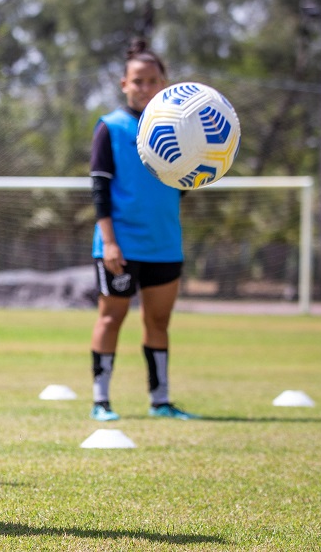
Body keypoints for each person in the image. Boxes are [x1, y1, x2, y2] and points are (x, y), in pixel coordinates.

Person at [88, 38, 199, 422]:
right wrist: (111, 243)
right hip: (119, 245)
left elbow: (184, 184)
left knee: (158, 322)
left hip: (165, 244)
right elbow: (100, 190)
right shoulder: (111, 127)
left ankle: (161, 401)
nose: (145, 87)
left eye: (153, 80)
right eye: (138, 80)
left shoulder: (182, 130)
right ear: (124, 84)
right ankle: (101, 401)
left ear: (164, 84)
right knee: (111, 318)